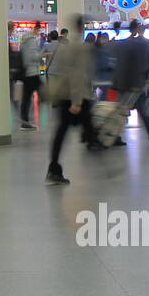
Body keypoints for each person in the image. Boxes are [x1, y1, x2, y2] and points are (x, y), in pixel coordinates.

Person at [45, 15, 101, 184]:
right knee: (85, 131)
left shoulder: (65, 47)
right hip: (75, 97)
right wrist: (76, 101)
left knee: (64, 132)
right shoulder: (81, 48)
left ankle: (54, 168)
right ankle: (106, 170)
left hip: (64, 95)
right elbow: (77, 74)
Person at [110, 20, 149, 145]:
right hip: (135, 82)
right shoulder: (145, 43)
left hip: (124, 81)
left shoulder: (123, 43)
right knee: (127, 109)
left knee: (135, 108)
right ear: (138, 29)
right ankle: (114, 135)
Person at [18, 30, 43, 130]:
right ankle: (26, 120)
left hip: (26, 74)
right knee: (43, 92)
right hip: (32, 73)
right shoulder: (32, 42)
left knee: (26, 98)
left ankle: (25, 120)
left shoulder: (24, 43)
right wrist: (42, 54)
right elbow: (33, 57)